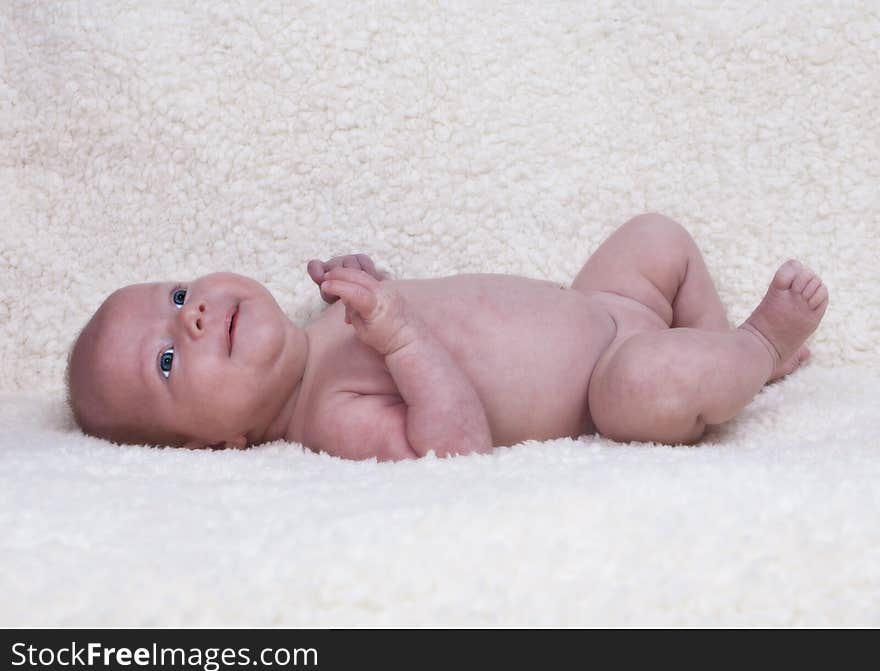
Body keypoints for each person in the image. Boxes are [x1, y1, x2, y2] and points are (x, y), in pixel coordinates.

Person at [65, 213, 828, 461]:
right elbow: (456, 444)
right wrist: (397, 337)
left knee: (654, 234)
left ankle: (715, 346)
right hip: (607, 376)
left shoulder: (328, 320)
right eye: (167, 358)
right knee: (645, 388)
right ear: (218, 442)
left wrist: (373, 281)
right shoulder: (325, 417)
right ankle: (756, 349)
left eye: (175, 293)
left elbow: (427, 310)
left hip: (598, 302)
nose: (191, 314)